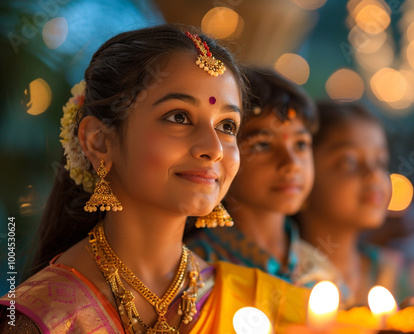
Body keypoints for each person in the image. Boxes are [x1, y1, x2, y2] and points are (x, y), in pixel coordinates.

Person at [0, 25, 308, 333]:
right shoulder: (48, 316)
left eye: (227, 126)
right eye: (179, 117)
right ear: (99, 141)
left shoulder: (261, 306)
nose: (214, 149)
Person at [185, 67, 343, 288]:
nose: (291, 164)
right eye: (262, 145)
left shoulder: (320, 272)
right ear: (223, 154)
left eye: (300, 145)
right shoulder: (198, 269)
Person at [296, 100, 404, 306]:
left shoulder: (390, 273)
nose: (374, 176)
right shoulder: (283, 278)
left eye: (381, 162)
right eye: (349, 162)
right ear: (303, 173)